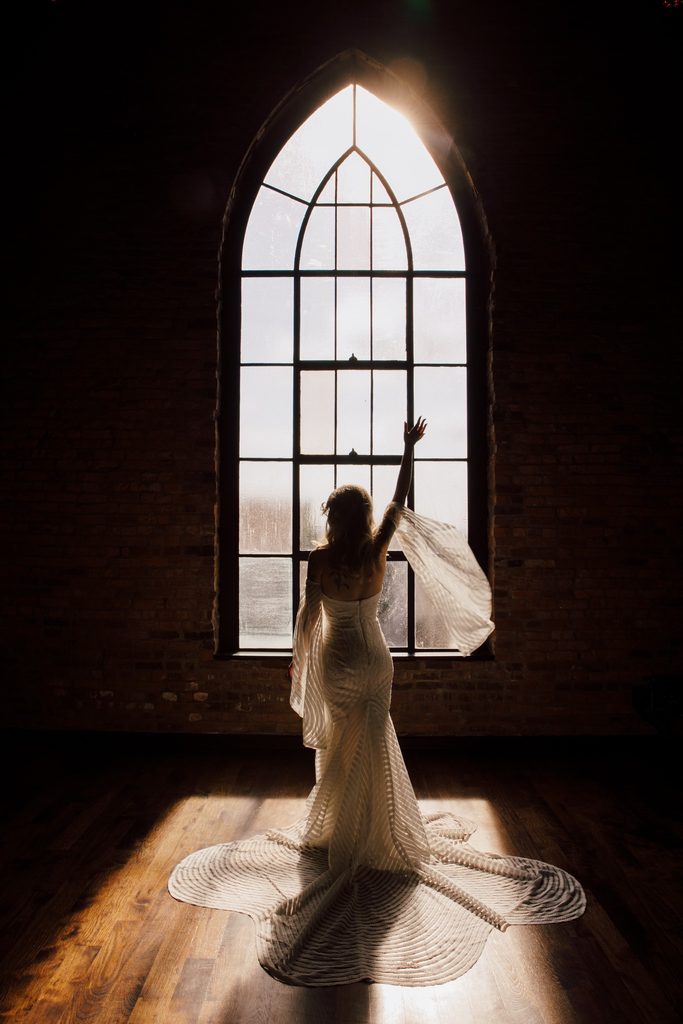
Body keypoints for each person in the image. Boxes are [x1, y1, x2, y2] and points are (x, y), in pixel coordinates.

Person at [169, 419, 585, 987]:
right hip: (376, 661)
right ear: (363, 519)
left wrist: (299, 660)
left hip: (338, 660)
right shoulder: (378, 548)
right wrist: (408, 449)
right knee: (372, 740)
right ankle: (375, 830)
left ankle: (343, 829)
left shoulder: (320, 560)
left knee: (342, 747)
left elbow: (308, 617)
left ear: (331, 518)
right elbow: (399, 499)